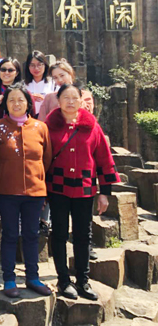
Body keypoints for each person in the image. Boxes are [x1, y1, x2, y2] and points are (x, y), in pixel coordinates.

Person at [45, 84, 120, 301]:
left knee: (83, 235)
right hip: (57, 187)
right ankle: (63, 280)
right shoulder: (49, 126)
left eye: (74, 98)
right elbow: (41, 158)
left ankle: (83, 280)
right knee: (59, 233)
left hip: (84, 188)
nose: (70, 102)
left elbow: (104, 159)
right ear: (58, 101)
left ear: (81, 100)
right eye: (65, 97)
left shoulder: (92, 126)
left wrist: (105, 192)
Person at [0, 83, 53, 298]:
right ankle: (9, 279)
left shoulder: (40, 127)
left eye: (21, 100)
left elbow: (47, 159)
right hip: (7, 191)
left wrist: (40, 182)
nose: (16, 104)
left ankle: (33, 277)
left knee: (32, 235)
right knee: (9, 234)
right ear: (5, 104)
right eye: (11, 100)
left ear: (28, 103)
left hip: (35, 192)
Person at [24, 51, 56, 116]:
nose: (36, 68)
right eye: (32, 65)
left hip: (48, 117)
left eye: (39, 65)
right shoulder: (23, 84)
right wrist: (30, 98)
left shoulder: (53, 83)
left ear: (45, 65)